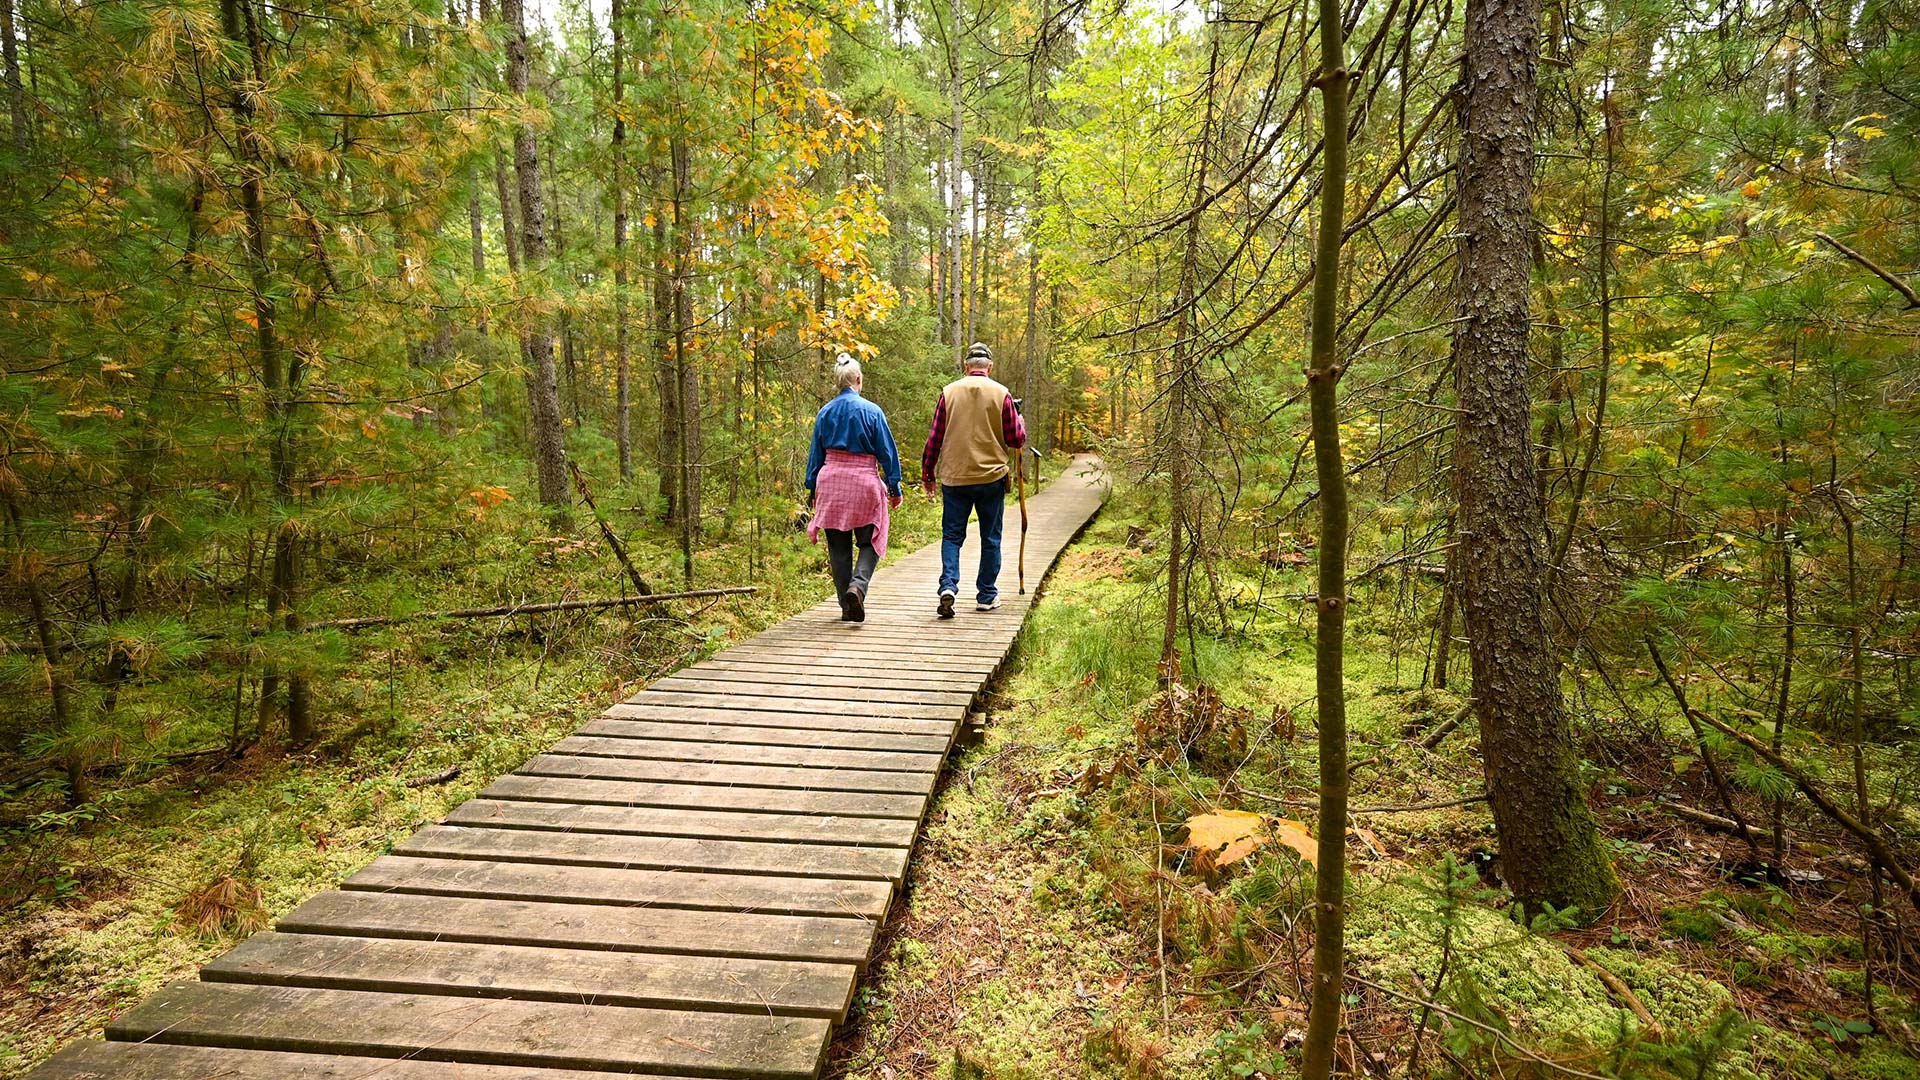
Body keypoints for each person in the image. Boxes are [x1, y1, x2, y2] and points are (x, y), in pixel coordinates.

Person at [921, 342, 1027, 619]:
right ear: (989, 367)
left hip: (955, 477)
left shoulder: (948, 393)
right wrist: (1021, 421)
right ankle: (987, 595)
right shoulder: (1002, 394)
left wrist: (927, 473)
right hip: (991, 477)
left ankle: (948, 586)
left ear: (966, 366)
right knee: (990, 537)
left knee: (953, 536)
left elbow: (935, 438)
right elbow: (1016, 439)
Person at [805, 355, 903, 623]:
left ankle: (846, 606)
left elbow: (816, 454)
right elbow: (887, 452)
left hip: (831, 482)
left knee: (838, 547)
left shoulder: (825, 412)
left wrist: (812, 488)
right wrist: (894, 486)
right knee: (871, 538)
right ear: (858, 380)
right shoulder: (872, 411)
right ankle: (857, 587)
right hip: (863, 482)